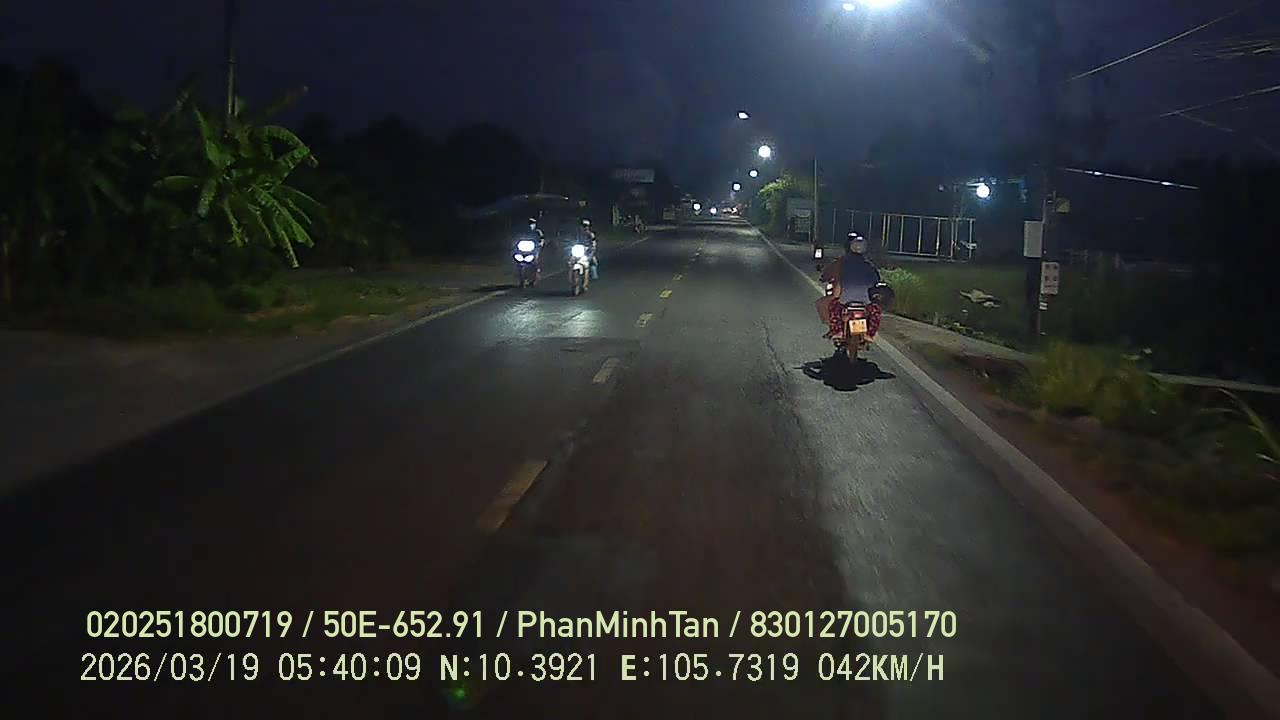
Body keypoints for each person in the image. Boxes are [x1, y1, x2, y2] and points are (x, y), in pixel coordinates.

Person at [817, 232, 883, 340]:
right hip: (866, 301)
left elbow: (831, 276)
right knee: (876, 311)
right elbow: (877, 281)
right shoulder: (869, 266)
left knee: (832, 307)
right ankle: (869, 334)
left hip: (845, 299)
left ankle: (837, 331)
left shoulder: (842, 264)